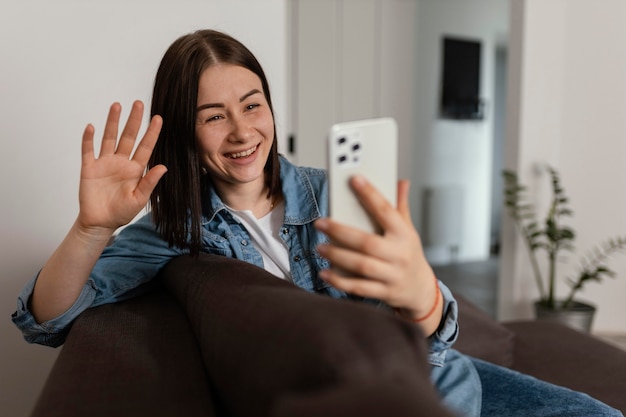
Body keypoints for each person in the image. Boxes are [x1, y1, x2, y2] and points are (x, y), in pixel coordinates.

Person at [12, 29, 622, 417]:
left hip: (437, 372)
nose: (243, 130)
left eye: (253, 105)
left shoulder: (335, 192)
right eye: (214, 116)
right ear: (184, 133)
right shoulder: (178, 227)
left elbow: (437, 336)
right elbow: (49, 319)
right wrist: (91, 230)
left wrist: (425, 302)